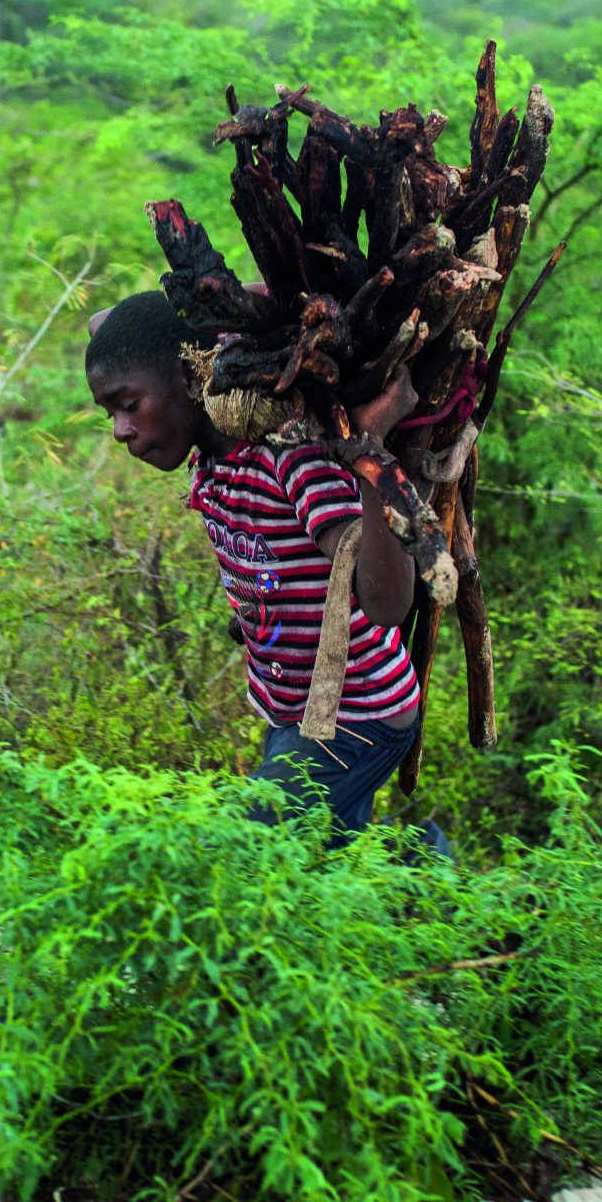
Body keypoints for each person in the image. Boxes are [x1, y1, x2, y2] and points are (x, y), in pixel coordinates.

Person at [85, 290, 450, 856]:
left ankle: (430, 867)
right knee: (329, 881)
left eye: (128, 403)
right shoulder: (211, 457)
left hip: (353, 715)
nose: (118, 429)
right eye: (110, 412)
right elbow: (105, 322)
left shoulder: (287, 458)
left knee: (245, 859)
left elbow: (385, 603)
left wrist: (371, 450)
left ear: (188, 377)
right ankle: (426, 877)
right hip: (294, 711)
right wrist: (209, 309)